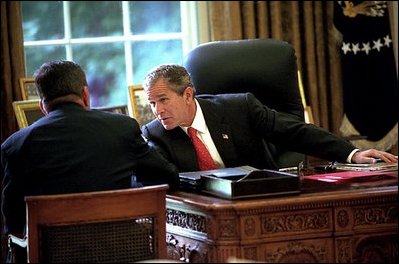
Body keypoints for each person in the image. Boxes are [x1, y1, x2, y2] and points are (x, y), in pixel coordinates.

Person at [1, 60, 180, 246]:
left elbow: (13, 220)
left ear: (42, 106)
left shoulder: (16, 145)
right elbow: (167, 177)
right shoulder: (122, 127)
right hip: (122, 250)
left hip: (53, 253)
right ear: (86, 95)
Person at [141, 64, 398, 173]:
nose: (157, 110)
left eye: (163, 100)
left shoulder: (239, 108)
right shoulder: (155, 134)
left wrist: (351, 153)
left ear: (187, 94)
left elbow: (295, 132)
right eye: (152, 103)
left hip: (260, 202)